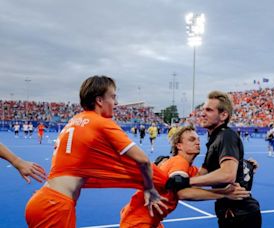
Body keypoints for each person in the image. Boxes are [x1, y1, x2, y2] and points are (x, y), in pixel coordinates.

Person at [25, 75, 167, 228]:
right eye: (113, 97)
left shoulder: (74, 120)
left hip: (43, 199)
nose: (116, 103)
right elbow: (143, 160)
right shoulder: (101, 123)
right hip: (55, 206)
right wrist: (149, 188)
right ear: (99, 100)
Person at [120, 126, 250, 228]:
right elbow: (183, 193)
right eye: (192, 140)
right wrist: (224, 194)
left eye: (198, 139)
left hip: (147, 220)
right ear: (179, 146)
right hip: (138, 222)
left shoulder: (188, 168)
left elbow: (210, 174)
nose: (198, 142)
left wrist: (246, 164)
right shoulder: (179, 162)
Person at [176, 91, 261, 228]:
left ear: (223, 115)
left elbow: (227, 174)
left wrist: (185, 181)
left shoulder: (225, 136)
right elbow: (203, 175)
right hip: (233, 213)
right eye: (203, 109)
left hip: (240, 215)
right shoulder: (215, 139)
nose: (203, 113)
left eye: (209, 110)